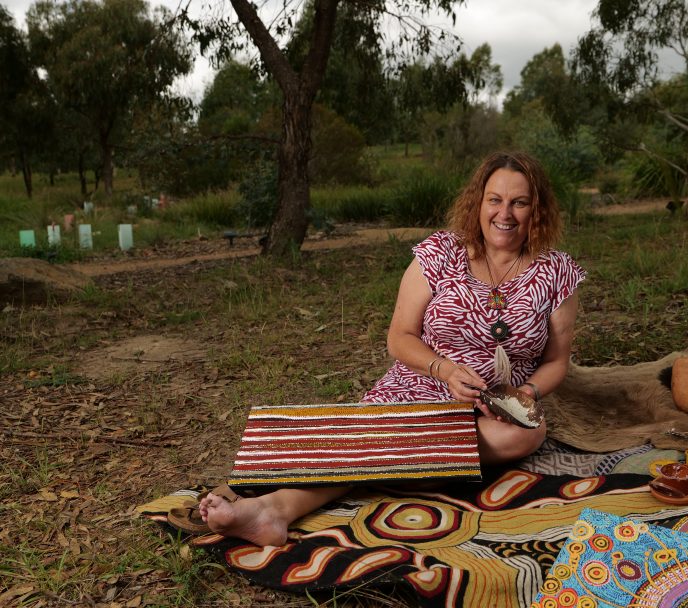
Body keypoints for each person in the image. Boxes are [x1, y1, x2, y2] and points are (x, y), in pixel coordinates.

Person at [199, 151, 586, 546]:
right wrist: (445, 370)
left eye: (519, 202)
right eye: (495, 199)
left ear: (536, 208)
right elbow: (399, 336)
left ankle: (293, 500)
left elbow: (556, 361)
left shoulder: (556, 272)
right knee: (390, 433)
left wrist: (525, 395)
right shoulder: (439, 254)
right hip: (419, 389)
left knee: (528, 434)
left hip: (495, 410)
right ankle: (274, 508)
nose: (505, 213)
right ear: (479, 202)